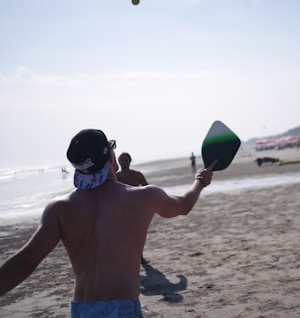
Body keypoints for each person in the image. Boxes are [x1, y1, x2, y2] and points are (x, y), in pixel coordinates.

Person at [0, 128, 215, 318]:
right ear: (111, 157)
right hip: (123, 310)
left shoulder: (59, 208)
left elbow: (24, 262)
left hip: (82, 311)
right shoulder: (144, 197)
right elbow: (184, 205)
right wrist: (199, 182)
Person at [116, 152, 149, 264]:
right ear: (118, 162)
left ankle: (140, 257)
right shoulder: (116, 177)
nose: (123, 162)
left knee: (138, 234)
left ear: (130, 161)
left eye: (126, 160)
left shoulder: (137, 175)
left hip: (136, 209)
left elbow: (147, 188)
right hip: (121, 210)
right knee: (123, 235)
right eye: (121, 160)